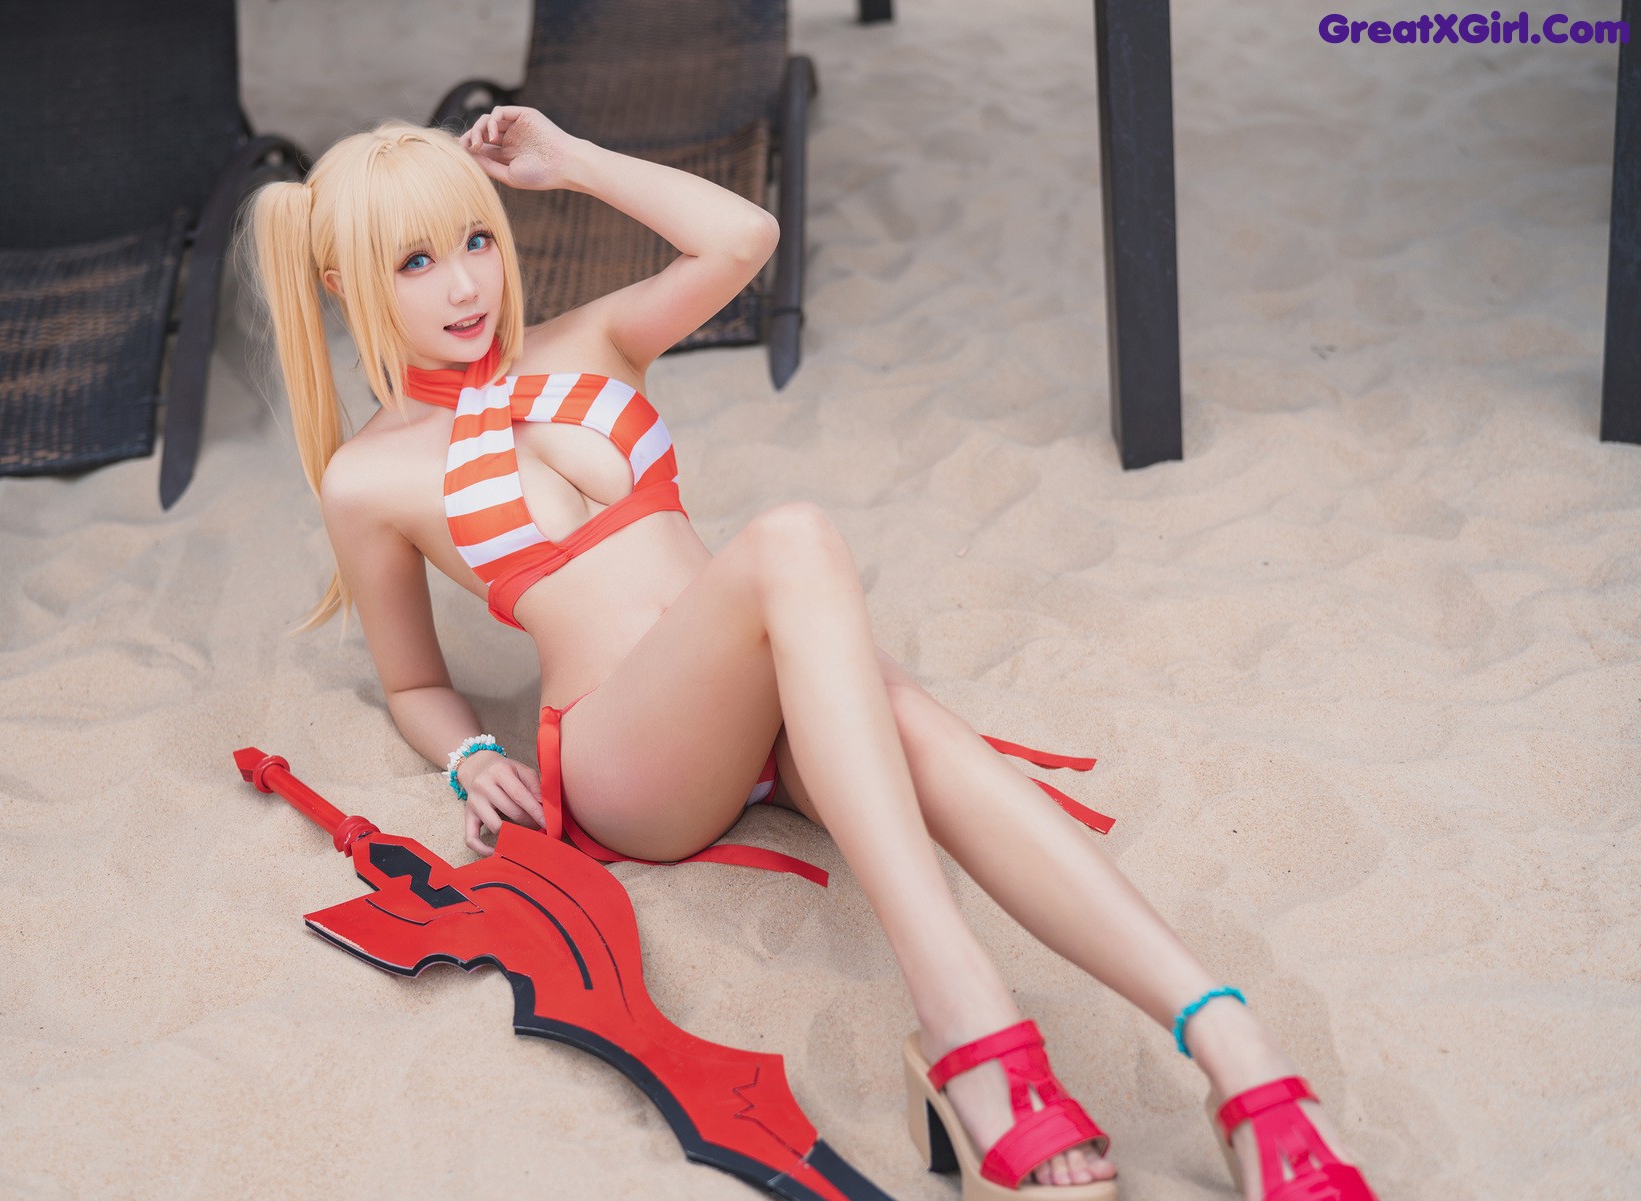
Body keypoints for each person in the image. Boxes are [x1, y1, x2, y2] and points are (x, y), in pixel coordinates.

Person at [248, 111, 1378, 1201]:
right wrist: (468, 757)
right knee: (791, 539)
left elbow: (745, 237)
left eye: (477, 241)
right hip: (629, 758)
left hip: (767, 694)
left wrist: (576, 159)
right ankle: (967, 1018)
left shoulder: (590, 340)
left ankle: (1233, 1046)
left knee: (919, 732)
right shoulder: (368, 478)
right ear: (344, 285)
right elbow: (413, 681)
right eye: (415, 263)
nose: (464, 286)